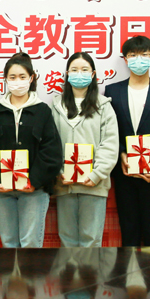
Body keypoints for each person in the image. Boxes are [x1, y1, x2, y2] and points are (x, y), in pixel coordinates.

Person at [0, 53, 62, 248]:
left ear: (31, 78)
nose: (18, 81)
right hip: (3, 191)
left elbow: (51, 150)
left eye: (22, 77)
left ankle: (32, 273)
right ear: (5, 79)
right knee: (9, 243)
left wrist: (34, 181)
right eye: (13, 77)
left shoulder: (42, 111)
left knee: (30, 244)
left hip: (34, 190)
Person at [104, 35, 150, 246]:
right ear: (125, 59)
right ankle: (129, 268)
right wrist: (121, 154)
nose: (139, 59)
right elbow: (109, 130)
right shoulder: (112, 91)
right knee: (129, 230)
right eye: (133, 55)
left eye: (144, 54)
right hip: (124, 172)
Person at [51, 52, 119, 247]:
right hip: (65, 184)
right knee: (67, 239)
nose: (79, 74)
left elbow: (110, 143)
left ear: (93, 74)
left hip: (94, 185)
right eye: (74, 70)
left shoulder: (104, 106)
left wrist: (96, 174)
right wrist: (59, 172)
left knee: (91, 239)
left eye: (84, 69)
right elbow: (50, 143)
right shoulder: (56, 105)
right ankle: (69, 269)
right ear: (67, 74)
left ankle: (90, 270)